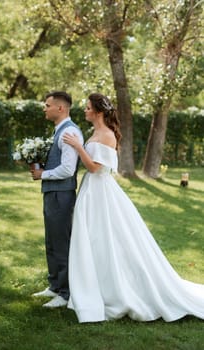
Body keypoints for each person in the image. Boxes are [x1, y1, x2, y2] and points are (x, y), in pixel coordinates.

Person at [63, 92, 204, 323]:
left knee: (106, 237)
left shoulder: (107, 135)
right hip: (92, 191)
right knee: (94, 238)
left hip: (101, 193)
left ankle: (116, 289)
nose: (85, 110)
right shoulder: (96, 132)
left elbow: (95, 168)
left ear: (98, 111)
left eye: (88, 107)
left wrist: (79, 147)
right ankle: (94, 284)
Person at [31, 91, 83, 308]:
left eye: (47, 105)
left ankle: (65, 293)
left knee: (61, 242)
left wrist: (44, 174)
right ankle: (54, 285)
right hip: (53, 193)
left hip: (62, 195)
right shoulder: (59, 131)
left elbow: (68, 169)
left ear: (60, 108)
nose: (45, 108)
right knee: (52, 241)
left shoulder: (69, 132)